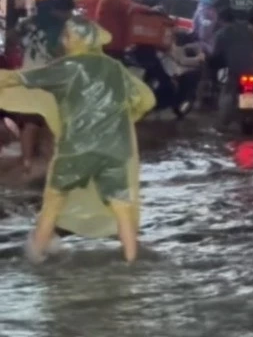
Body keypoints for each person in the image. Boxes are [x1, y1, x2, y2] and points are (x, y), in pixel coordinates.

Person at [0, 16, 155, 263]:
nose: (64, 40)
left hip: (77, 150)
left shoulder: (67, 67)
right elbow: (147, 100)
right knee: (122, 209)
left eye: (67, 36)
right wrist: (125, 119)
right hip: (116, 150)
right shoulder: (115, 68)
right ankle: (131, 264)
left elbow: (18, 79)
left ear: (80, 40)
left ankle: (34, 259)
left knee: (52, 205)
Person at [12, 0, 74, 171]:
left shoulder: (28, 22)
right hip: (49, 79)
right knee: (49, 118)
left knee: (29, 119)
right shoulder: (62, 27)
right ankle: (48, 159)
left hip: (28, 76)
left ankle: (27, 161)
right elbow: (59, 52)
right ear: (65, 11)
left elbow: (11, 39)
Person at [212, 7, 253, 123]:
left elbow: (215, 54)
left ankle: (225, 121)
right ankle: (248, 116)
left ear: (221, 20)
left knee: (229, 90)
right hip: (251, 68)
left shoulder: (221, 34)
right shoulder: (246, 27)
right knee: (250, 90)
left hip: (235, 68)